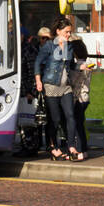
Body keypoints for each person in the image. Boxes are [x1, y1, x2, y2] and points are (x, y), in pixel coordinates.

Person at [34, 18, 84, 160]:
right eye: (66, 32)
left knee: (70, 116)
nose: (69, 34)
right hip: (51, 86)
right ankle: (53, 147)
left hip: (65, 87)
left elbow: (70, 66)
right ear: (58, 31)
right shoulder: (49, 46)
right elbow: (38, 62)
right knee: (55, 119)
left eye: (70, 32)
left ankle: (71, 147)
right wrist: (38, 80)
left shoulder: (69, 47)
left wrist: (80, 66)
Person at [69, 32, 96, 154]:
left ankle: (80, 150)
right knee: (80, 124)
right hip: (85, 97)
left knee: (77, 125)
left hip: (77, 99)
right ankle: (83, 149)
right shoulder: (87, 62)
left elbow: (72, 81)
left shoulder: (78, 66)